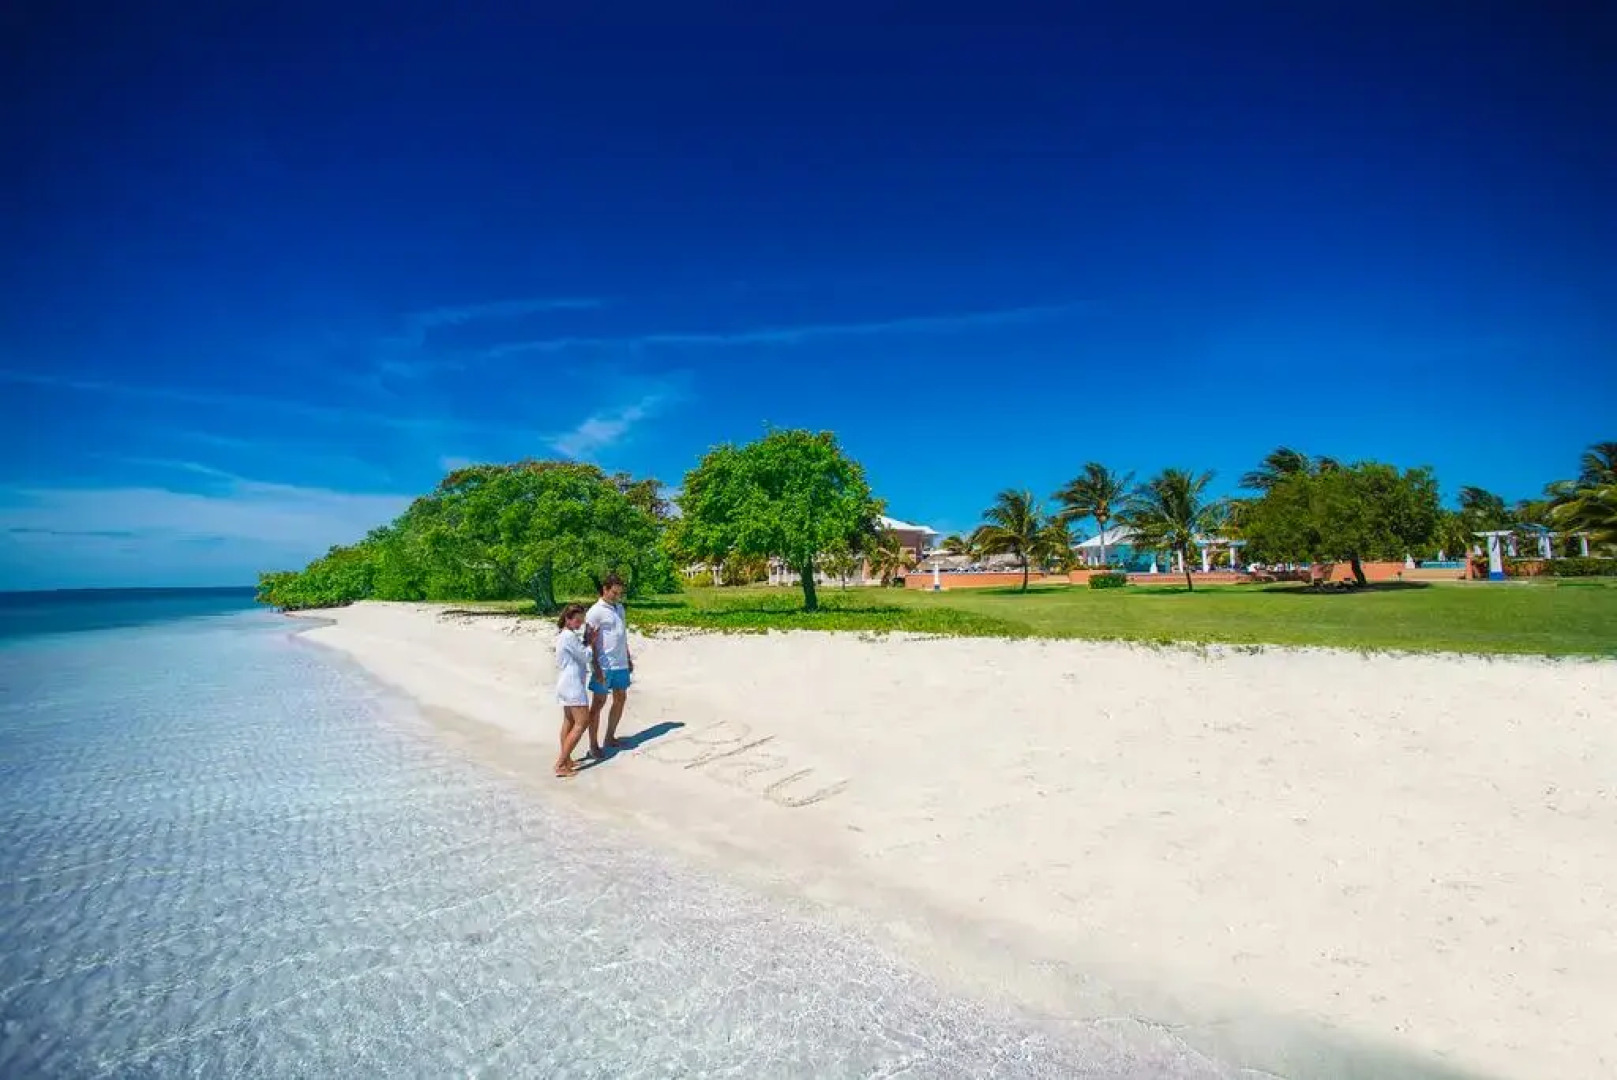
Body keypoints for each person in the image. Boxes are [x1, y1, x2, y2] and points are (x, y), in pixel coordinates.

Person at [585, 572, 633, 753]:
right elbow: (588, 641)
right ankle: (593, 744)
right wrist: (596, 667)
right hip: (604, 665)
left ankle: (610, 737)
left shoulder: (620, 608)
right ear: (605, 589)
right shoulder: (595, 612)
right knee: (598, 703)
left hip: (621, 663)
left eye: (619, 593)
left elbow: (622, 635)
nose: (617, 596)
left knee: (621, 698)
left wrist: (628, 657)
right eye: (614, 592)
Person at [552, 603, 592, 778]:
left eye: (581, 621)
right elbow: (586, 656)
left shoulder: (564, 635)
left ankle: (567, 759)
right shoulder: (569, 636)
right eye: (577, 620)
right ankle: (561, 763)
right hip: (572, 684)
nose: (580, 624)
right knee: (582, 722)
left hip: (565, 683)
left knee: (569, 721)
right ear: (568, 619)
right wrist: (591, 642)